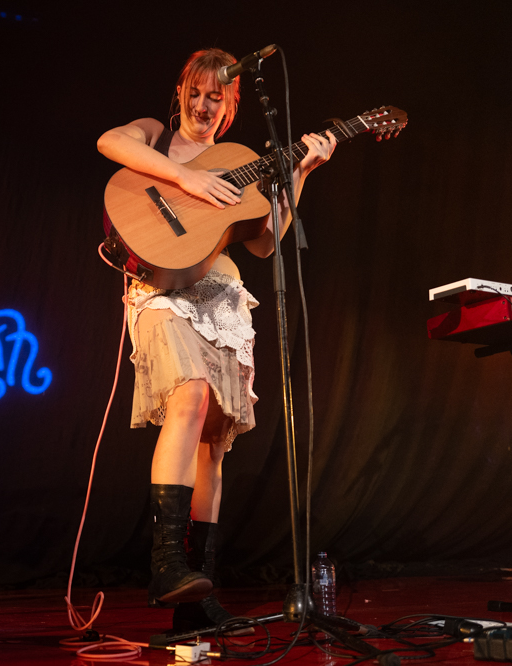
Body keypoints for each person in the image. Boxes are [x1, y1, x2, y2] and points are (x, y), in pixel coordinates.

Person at [97, 48, 335, 632]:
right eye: (196, 93)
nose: (203, 106)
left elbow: (264, 242)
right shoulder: (155, 137)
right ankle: (166, 566)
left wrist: (300, 172)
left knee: (213, 441)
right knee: (191, 394)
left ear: (230, 105)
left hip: (220, 296)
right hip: (160, 290)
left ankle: (195, 598)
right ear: (180, 92)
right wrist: (185, 177)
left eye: (216, 97)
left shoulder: (240, 160)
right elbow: (109, 141)